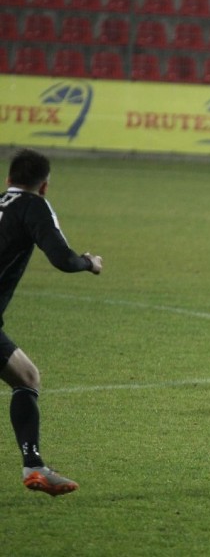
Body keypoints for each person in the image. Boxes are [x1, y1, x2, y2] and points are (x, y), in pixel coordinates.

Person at [0, 149, 103, 496]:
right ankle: (33, 466)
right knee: (27, 379)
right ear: (44, 186)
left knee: (26, 376)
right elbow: (62, 258)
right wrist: (88, 262)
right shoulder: (34, 207)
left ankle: (35, 467)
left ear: (8, 179)